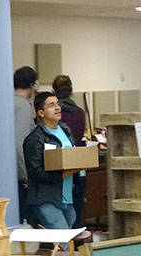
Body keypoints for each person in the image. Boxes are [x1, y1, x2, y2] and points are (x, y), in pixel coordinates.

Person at [22, 91, 81, 229]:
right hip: (46, 199)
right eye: (51, 105)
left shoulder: (65, 130)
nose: (57, 108)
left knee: (65, 243)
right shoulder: (35, 139)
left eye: (58, 104)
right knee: (64, 243)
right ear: (41, 113)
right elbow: (35, 172)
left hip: (68, 196)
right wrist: (61, 174)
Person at [51, 74, 88, 228]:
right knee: (77, 211)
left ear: (54, 91)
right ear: (71, 90)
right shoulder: (80, 112)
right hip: (79, 166)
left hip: (59, 167)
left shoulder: (54, 114)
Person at [13, 65, 38, 220]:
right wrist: (25, 174)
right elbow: (20, 141)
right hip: (17, 174)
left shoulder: (4, 101)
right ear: (32, 85)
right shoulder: (23, 106)